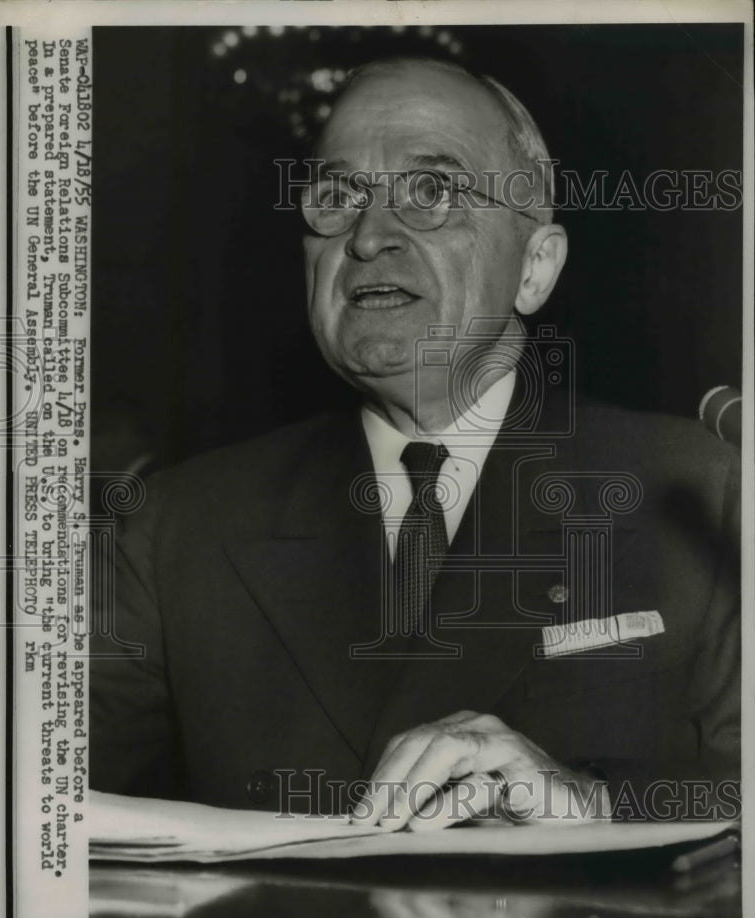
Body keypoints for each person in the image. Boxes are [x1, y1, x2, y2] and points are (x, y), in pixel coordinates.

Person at [90, 57, 740, 828]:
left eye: (431, 192)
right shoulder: (173, 529)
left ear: (535, 268)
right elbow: (34, 818)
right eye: (336, 198)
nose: (367, 237)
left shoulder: (699, 487)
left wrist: (596, 799)